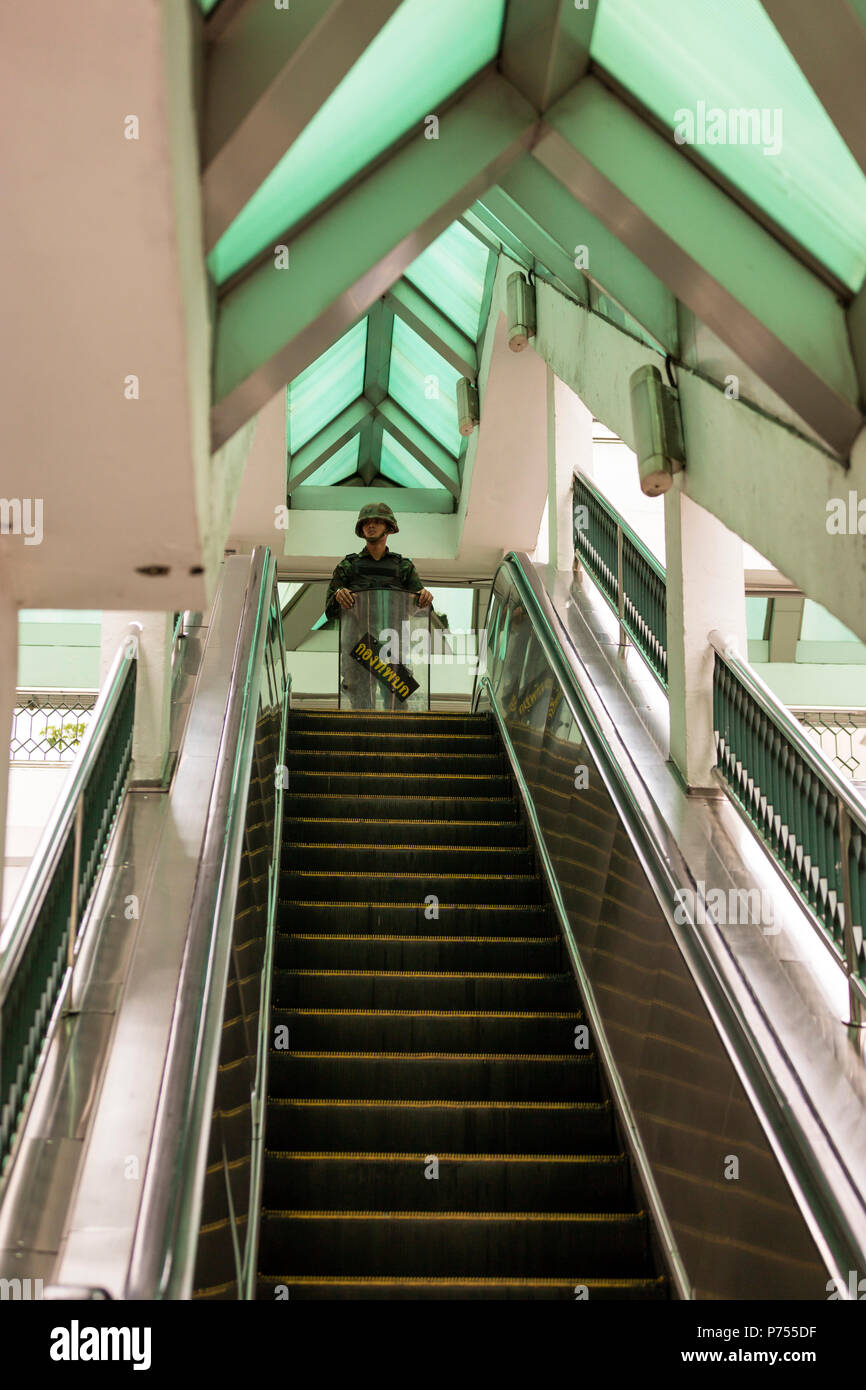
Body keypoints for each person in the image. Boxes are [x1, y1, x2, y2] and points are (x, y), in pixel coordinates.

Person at [324, 503, 433, 619]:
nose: (371, 525)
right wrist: (338, 596)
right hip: (357, 630)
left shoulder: (404, 567)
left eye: (377, 521)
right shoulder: (347, 566)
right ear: (361, 528)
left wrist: (425, 597)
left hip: (393, 630)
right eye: (366, 522)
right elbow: (330, 612)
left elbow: (423, 612)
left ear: (388, 527)